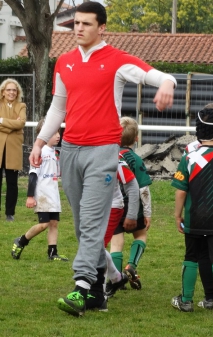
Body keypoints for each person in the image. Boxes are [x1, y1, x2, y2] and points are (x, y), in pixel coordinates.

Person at [28, 2, 176, 317]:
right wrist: (41, 142)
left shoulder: (117, 61)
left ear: (102, 27)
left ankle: (81, 287)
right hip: (70, 150)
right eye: (75, 24)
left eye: (85, 23)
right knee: (84, 228)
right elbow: (58, 109)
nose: (78, 28)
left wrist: (166, 84)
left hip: (103, 151)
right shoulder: (65, 63)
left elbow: (158, 76)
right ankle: (109, 280)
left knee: (93, 221)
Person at [171, 107, 213, 319]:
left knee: (191, 256)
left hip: (194, 216)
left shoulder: (189, 158)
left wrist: (177, 215)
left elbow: (181, 191)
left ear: (199, 131)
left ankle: (186, 300)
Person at [11, 119, 67, 261]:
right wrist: (30, 196)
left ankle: (52, 253)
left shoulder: (54, 152)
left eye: (58, 132)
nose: (58, 135)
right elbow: (33, 175)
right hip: (43, 195)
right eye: (54, 133)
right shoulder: (40, 151)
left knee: (54, 223)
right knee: (44, 224)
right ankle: (21, 241)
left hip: (53, 194)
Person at [109, 116, 153, 291]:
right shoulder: (135, 159)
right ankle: (131, 266)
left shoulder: (109, 156)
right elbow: (143, 189)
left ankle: (116, 278)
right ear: (136, 138)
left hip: (114, 205)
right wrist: (147, 212)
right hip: (132, 206)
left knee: (116, 243)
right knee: (141, 235)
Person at [103, 152, 140, 299]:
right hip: (91, 206)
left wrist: (131, 214)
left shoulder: (112, 154)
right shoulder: (80, 148)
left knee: (96, 248)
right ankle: (117, 279)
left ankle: (99, 293)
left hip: (111, 207)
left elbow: (133, 184)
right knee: (92, 246)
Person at [0, 78, 26, 221]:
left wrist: (2, 121)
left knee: (12, 183)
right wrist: (13, 124)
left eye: (14, 90)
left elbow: (21, 123)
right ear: (3, 92)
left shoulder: (21, 106)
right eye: (8, 90)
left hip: (13, 149)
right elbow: (16, 124)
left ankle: (10, 213)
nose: (11, 92)